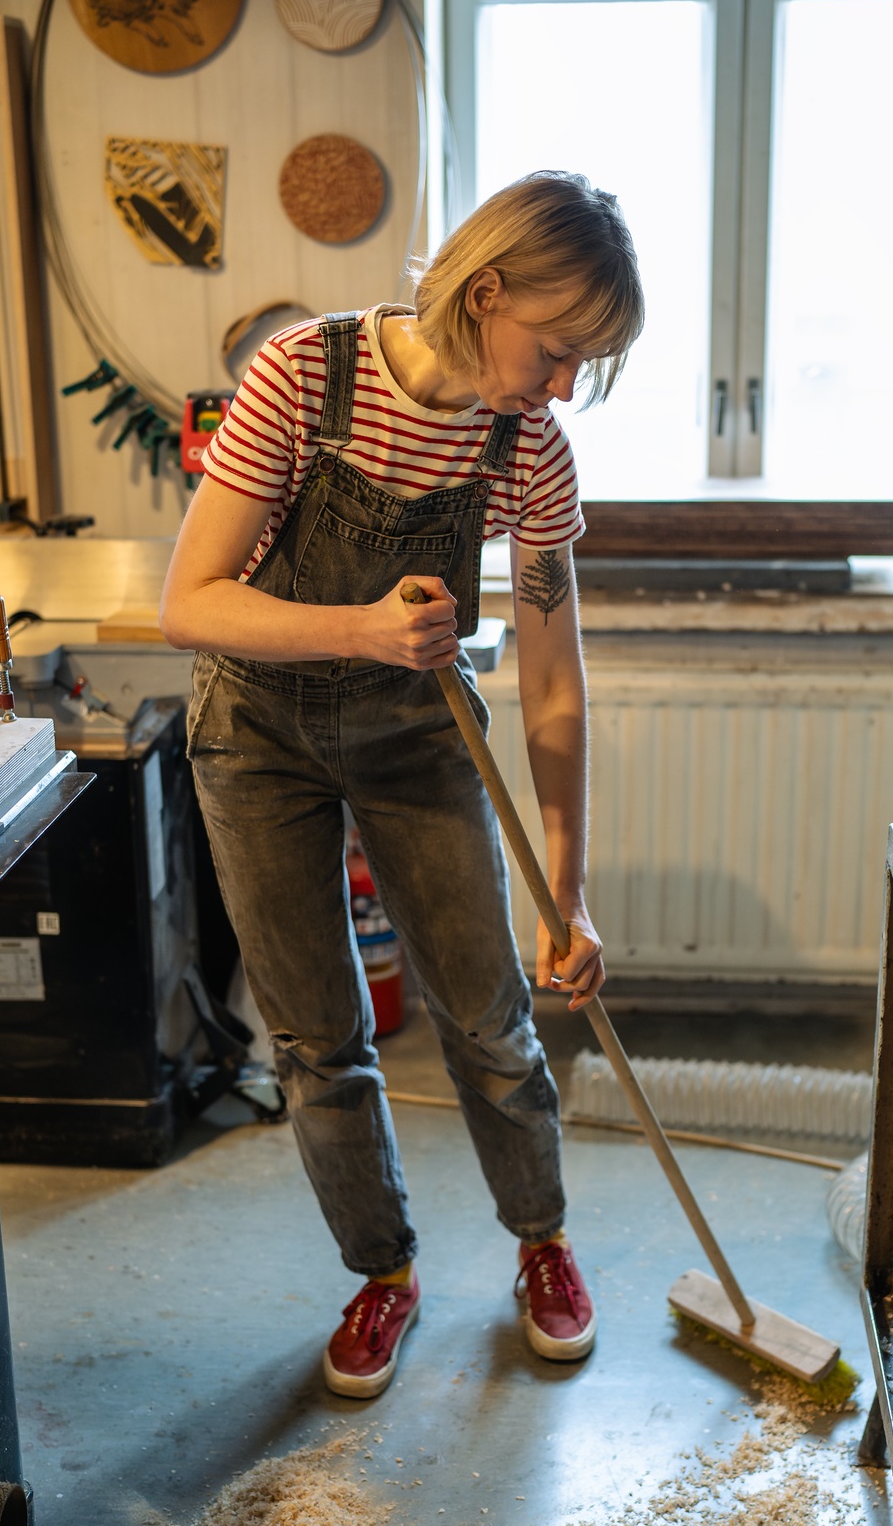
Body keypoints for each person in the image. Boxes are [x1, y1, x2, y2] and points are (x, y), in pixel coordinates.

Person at [161, 170, 644, 1398]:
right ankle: (384, 1271)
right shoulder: (301, 374)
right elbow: (192, 603)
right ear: (485, 292)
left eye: (586, 364)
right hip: (257, 731)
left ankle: (542, 1241)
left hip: (419, 730)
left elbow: (552, 685)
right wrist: (360, 629)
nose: (562, 385)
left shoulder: (526, 445)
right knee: (319, 1041)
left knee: (488, 1017)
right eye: (555, 349)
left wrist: (567, 894)